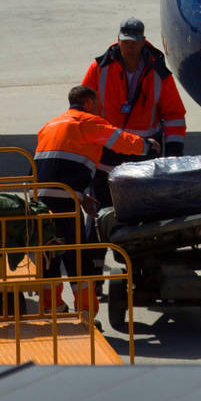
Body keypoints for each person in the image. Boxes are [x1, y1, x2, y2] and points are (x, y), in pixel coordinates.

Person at [32, 84, 149, 315]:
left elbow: (55, 164)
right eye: (96, 105)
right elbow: (121, 140)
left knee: (48, 255)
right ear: (88, 103)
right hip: (64, 201)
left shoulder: (50, 125)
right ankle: (85, 311)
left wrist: (82, 196)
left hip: (41, 199)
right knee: (76, 254)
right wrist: (147, 146)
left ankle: (51, 307)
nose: (99, 110)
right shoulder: (86, 121)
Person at [81, 17, 187, 167]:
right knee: (105, 190)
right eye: (126, 42)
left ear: (143, 42)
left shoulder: (159, 73)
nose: (130, 48)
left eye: (134, 43)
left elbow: (174, 115)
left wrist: (174, 151)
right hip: (108, 149)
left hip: (146, 151)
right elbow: (82, 108)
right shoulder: (99, 68)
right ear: (118, 40)